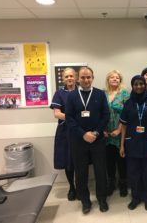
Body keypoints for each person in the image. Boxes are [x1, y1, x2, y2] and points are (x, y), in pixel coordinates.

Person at [65, 66, 110, 214]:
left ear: (92, 77)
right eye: (83, 77)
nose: (86, 80)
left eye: (88, 77)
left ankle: (102, 199)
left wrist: (96, 133)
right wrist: (83, 134)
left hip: (97, 140)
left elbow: (106, 116)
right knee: (81, 172)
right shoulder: (71, 96)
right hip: (78, 141)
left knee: (100, 171)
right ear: (78, 78)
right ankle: (85, 200)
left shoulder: (99, 94)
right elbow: (69, 118)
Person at [119, 75, 147, 211]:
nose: (139, 86)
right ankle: (135, 198)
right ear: (132, 86)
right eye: (135, 84)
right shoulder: (128, 103)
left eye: (141, 84)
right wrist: (122, 144)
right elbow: (123, 125)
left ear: (145, 85)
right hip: (132, 143)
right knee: (134, 173)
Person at [50, 67, 77, 201]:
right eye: (67, 77)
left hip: (80, 130)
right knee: (68, 161)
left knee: (80, 160)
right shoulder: (59, 93)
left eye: (71, 76)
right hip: (65, 131)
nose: (69, 79)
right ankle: (72, 187)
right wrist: (73, 117)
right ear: (63, 79)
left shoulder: (82, 91)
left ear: (75, 77)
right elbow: (57, 113)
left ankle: (81, 186)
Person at [104, 70, 129, 197]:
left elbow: (127, 114)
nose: (115, 79)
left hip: (121, 131)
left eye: (117, 78)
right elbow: (99, 113)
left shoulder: (124, 94)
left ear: (120, 80)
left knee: (121, 160)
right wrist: (102, 130)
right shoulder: (102, 94)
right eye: (112, 77)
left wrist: (119, 129)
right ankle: (111, 183)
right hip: (106, 133)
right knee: (109, 160)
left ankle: (123, 184)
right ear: (108, 80)